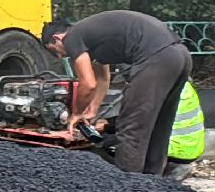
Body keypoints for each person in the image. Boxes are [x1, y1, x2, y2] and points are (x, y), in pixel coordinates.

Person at [43, 11, 193, 178]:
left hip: (156, 57)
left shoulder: (72, 36)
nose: (61, 55)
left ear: (57, 38)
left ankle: (126, 186)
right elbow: (102, 79)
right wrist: (92, 111)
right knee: (159, 125)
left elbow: (88, 83)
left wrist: (76, 113)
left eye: (55, 50)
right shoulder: (92, 35)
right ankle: (153, 183)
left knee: (131, 127)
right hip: (181, 55)